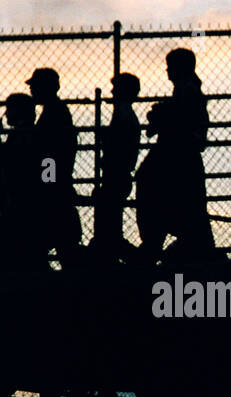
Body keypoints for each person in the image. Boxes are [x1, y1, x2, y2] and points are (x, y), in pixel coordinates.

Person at [135, 48, 216, 262]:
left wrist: (161, 117)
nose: (167, 70)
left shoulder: (187, 91)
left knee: (174, 210)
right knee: (191, 215)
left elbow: (181, 123)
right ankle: (164, 250)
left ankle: (153, 251)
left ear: (180, 68)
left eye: (170, 66)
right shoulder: (188, 90)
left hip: (177, 161)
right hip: (181, 160)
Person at [26, 68, 82, 267]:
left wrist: (47, 182)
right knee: (61, 240)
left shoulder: (54, 113)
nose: (32, 90)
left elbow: (50, 155)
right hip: (55, 184)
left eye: (35, 86)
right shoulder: (54, 111)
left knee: (58, 237)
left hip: (53, 187)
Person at [91, 72, 141, 262]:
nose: (112, 92)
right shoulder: (124, 113)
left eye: (115, 88)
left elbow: (119, 145)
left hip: (116, 175)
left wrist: (106, 138)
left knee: (109, 229)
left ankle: (139, 262)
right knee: (110, 228)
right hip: (118, 175)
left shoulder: (123, 114)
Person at [0, 93, 45, 271]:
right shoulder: (32, 133)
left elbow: (12, 161)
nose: (6, 114)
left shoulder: (23, 134)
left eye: (9, 109)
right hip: (30, 195)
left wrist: (48, 183)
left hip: (22, 196)